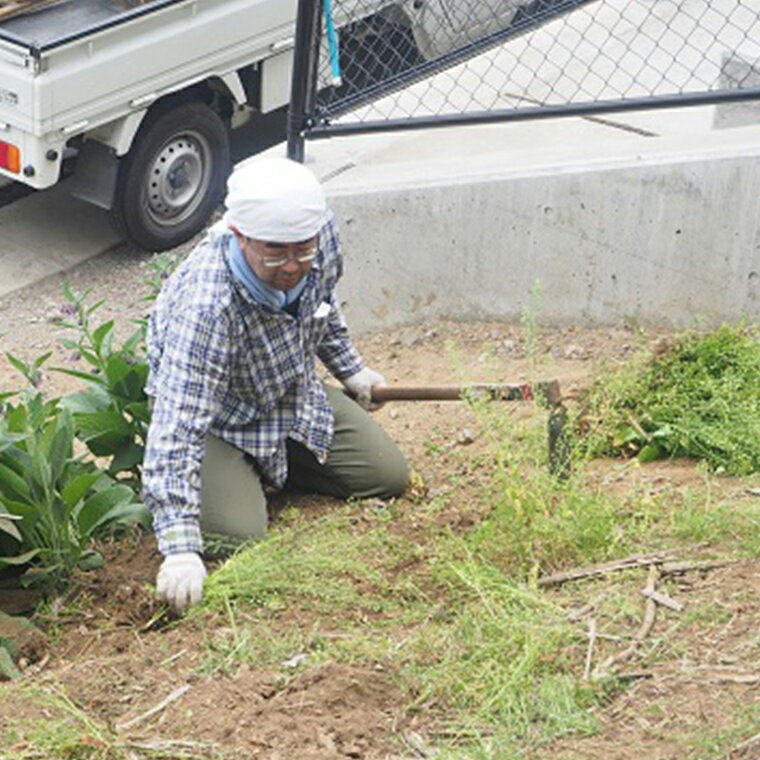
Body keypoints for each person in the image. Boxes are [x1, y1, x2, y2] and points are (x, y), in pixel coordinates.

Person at [142, 156, 409, 612]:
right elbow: (179, 424)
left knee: (386, 476)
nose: (292, 265)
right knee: (239, 537)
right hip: (217, 422)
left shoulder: (317, 246)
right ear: (239, 236)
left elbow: (323, 306)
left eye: (302, 249)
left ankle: (265, 469)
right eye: (275, 252)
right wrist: (180, 550)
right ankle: (228, 474)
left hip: (286, 391)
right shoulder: (208, 305)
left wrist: (350, 370)